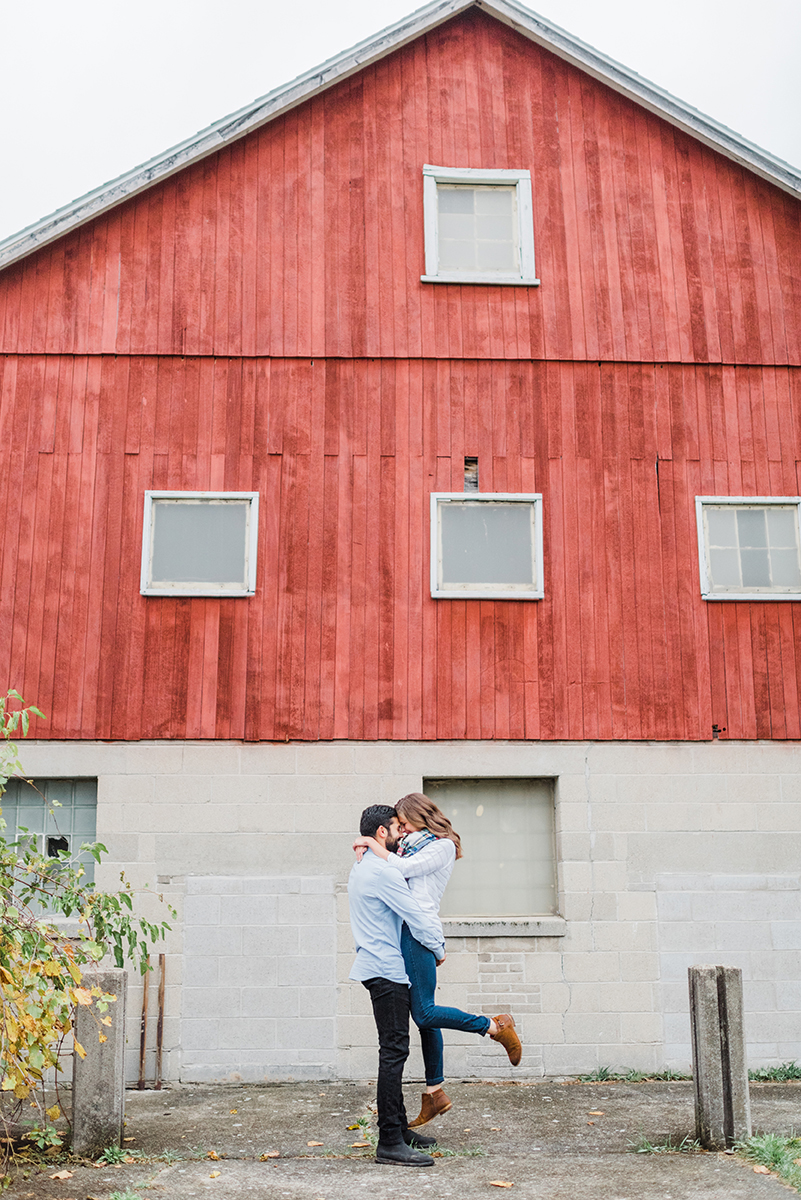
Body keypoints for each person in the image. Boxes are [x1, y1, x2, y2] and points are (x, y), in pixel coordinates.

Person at [353, 791, 521, 1128]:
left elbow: (403, 867)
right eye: (397, 826)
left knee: (425, 1012)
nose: (401, 830)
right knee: (424, 1017)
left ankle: (494, 1026)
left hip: (420, 931)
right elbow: (392, 859)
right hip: (407, 934)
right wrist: (371, 846)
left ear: (417, 817)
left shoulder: (440, 847)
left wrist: (373, 845)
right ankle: (434, 1093)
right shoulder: (409, 845)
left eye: (403, 823)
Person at [348, 804, 448, 1167]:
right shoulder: (383, 874)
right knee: (393, 1053)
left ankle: (399, 1129)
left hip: (377, 966)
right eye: (395, 828)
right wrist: (438, 949)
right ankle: (390, 1140)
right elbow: (417, 917)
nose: (400, 834)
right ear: (380, 834)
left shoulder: (362, 864)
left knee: (394, 1051)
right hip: (387, 971)